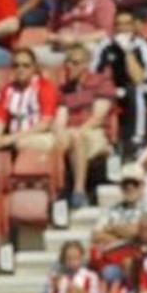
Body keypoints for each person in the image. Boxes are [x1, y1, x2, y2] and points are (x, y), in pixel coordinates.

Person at [92, 9, 147, 158]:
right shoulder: (106, 45)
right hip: (118, 89)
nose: (122, 28)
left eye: (127, 24)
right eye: (119, 24)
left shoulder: (142, 46)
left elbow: (139, 78)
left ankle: (137, 139)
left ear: (134, 26)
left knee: (135, 90)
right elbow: (93, 74)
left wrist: (127, 50)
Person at [56, 44, 115, 207]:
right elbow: (60, 119)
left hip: (95, 132)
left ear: (86, 64)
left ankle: (79, 190)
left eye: (75, 63)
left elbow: (97, 117)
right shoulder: (64, 89)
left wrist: (75, 132)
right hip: (72, 133)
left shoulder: (101, 82)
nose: (70, 67)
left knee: (77, 136)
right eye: (67, 62)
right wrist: (61, 134)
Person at [0, 49, 58, 152]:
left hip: (39, 135)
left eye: (26, 65)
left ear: (34, 67)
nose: (20, 69)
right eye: (16, 65)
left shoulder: (44, 87)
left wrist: (12, 138)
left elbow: (45, 123)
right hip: (14, 138)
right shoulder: (8, 90)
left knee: (21, 144)